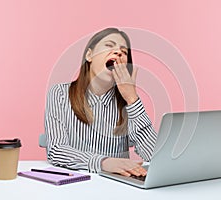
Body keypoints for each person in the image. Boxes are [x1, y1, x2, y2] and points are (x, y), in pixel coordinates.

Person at [45, 27, 157, 177]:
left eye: (124, 52)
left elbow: (154, 155)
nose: (118, 52)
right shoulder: (59, 94)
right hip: (73, 185)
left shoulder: (129, 103)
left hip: (117, 187)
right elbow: (56, 150)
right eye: (109, 46)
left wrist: (132, 98)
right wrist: (103, 162)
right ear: (89, 55)